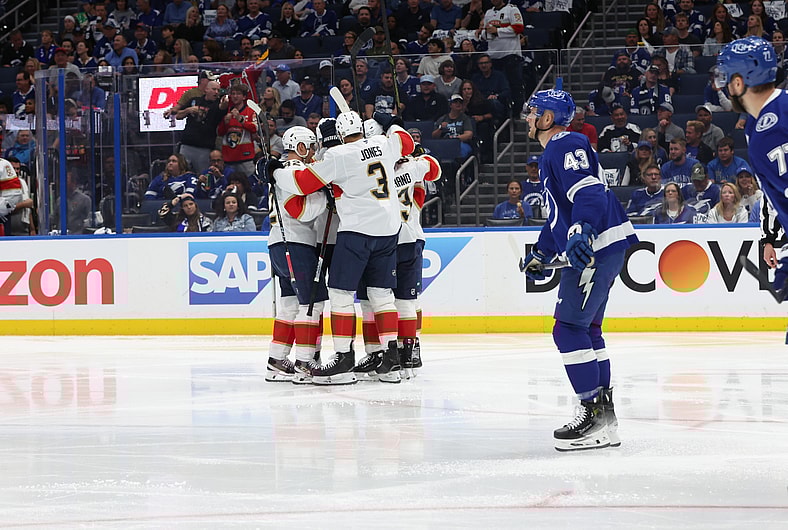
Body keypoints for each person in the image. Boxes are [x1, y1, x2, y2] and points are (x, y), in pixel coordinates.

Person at [521, 89, 638, 452]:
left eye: (533, 112)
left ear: (547, 119)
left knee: (568, 330)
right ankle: (605, 418)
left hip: (595, 246)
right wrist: (542, 251)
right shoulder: (555, 150)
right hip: (603, 244)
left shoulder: (564, 143)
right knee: (588, 330)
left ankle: (592, 417)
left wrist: (583, 229)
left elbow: (588, 192)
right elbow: (560, 212)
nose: (527, 117)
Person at [269, 111, 416, 385]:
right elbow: (406, 143)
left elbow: (302, 182)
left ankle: (343, 358)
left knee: (340, 294)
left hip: (357, 231)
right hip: (388, 229)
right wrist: (393, 121)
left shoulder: (339, 156)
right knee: (381, 294)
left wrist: (275, 171)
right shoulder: (384, 143)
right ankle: (391, 357)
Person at [265, 126, 329, 384]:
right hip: (295, 242)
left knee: (290, 305)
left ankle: (277, 360)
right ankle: (305, 362)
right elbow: (301, 212)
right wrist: (326, 196)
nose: (313, 152)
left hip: (279, 244)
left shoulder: (282, 171)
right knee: (311, 303)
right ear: (300, 147)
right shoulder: (293, 171)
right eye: (311, 146)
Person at [175, 80, 224, 174]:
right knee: (181, 173)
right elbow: (178, 116)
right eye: (214, 89)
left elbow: (223, 107)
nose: (216, 92)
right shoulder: (195, 100)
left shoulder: (217, 104)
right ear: (206, 89)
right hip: (187, 145)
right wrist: (188, 110)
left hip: (204, 148)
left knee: (204, 175)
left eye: (218, 90)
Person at [217, 83, 258, 179]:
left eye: (238, 94)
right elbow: (219, 132)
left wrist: (241, 119)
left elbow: (254, 128)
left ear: (244, 97)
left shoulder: (250, 111)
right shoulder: (225, 110)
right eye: (233, 93)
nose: (235, 96)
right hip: (229, 157)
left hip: (246, 157)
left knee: (249, 184)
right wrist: (225, 122)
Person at [432, 94, 475, 158]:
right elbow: (434, 136)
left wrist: (455, 138)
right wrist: (440, 129)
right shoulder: (442, 119)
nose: (458, 104)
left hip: (460, 143)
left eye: (460, 102)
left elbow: (469, 135)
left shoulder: (465, 118)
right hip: (444, 144)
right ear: (450, 105)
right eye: (455, 102)